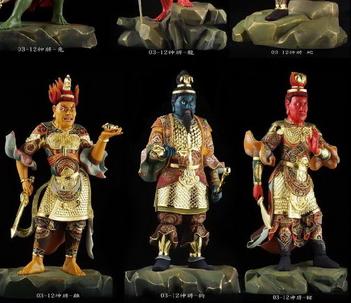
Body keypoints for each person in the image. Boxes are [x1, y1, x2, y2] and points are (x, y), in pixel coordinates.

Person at [6, 75, 121, 276]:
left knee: (77, 223)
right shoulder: (44, 129)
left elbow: (93, 160)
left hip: (79, 184)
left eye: (72, 109)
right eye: (64, 108)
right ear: (54, 109)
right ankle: (37, 261)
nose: (69, 113)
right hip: (56, 183)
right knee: (42, 219)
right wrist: (24, 181)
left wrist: (103, 139)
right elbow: (22, 155)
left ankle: (70, 261)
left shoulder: (80, 131)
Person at [245, 72, 339, 271]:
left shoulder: (312, 129)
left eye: (305, 104)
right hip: (284, 178)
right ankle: (285, 258)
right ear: (287, 105)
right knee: (285, 220)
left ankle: (320, 255)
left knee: (315, 216)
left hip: (304, 179)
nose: (303, 108)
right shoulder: (280, 127)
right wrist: (256, 183)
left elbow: (329, 156)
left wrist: (317, 151)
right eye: (298, 104)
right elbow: (259, 151)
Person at [138, 71, 227, 271]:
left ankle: (196, 256)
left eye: (192, 102)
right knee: (169, 218)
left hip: (197, 178)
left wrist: (215, 183)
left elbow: (209, 157)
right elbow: (151, 149)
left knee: (197, 219)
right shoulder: (162, 123)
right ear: (173, 103)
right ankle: (163, 255)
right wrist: (162, 152)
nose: (188, 106)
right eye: (184, 102)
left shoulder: (203, 125)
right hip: (171, 178)